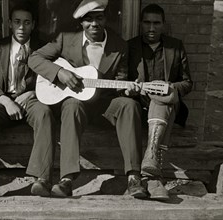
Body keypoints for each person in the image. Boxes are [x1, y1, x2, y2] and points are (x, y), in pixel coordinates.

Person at [28, 0, 147, 198]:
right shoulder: (65, 38)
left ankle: (134, 178)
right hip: (76, 104)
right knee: (71, 104)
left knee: (129, 105)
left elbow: (120, 82)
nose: (94, 24)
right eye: (88, 20)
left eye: (98, 18)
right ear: (81, 23)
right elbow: (34, 58)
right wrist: (60, 73)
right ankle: (66, 179)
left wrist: (127, 90)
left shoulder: (119, 45)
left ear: (105, 19)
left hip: (104, 103)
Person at [0, 2, 55, 196]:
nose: (22, 27)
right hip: (4, 98)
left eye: (27, 23)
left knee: (45, 114)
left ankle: (42, 178)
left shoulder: (45, 48)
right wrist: (6, 101)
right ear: (10, 24)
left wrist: (34, 94)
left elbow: (53, 81)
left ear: (34, 24)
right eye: (17, 22)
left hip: (32, 98)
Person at [127, 3, 193, 200]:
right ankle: (154, 178)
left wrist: (172, 89)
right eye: (147, 22)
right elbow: (120, 79)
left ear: (164, 24)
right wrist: (130, 88)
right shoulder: (130, 46)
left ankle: (151, 156)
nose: (151, 28)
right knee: (156, 102)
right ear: (140, 24)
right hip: (140, 105)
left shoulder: (175, 46)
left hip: (170, 104)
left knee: (161, 100)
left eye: (156, 23)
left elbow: (188, 82)